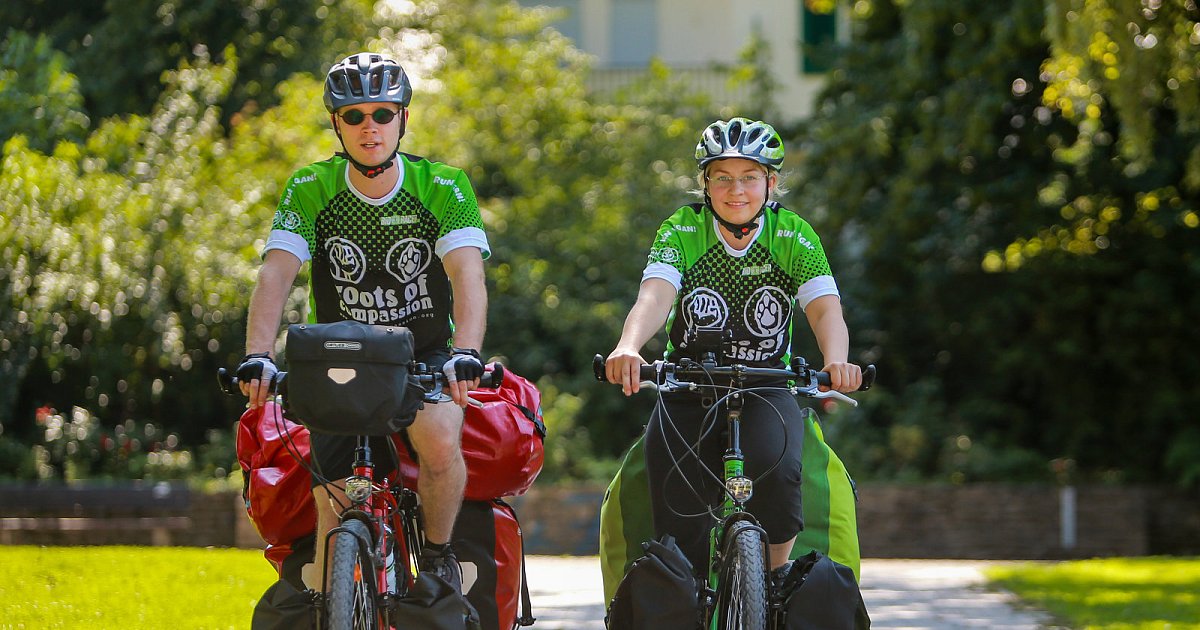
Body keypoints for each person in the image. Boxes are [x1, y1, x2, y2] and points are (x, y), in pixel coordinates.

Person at [237, 52, 489, 594]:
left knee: (442, 439)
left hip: (421, 354)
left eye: (382, 113)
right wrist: (259, 353)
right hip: (338, 357)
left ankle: (440, 556)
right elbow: (275, 275)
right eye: (354, 116)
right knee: (334, 500)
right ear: (336, 124)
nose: (368, 126)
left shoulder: (442, 186)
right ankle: (338, 604)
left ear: (403, 118)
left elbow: (468, 276)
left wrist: (466, 349)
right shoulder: (311, 186)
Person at [604, 117, 862, 586]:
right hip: (688, 382)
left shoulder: (794, 234)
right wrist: (628, 346)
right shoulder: (683, 228)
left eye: (749, 176)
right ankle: (689, 595)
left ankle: (776, 580)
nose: (735, 189)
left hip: (767, 383)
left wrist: (836, 360)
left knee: (781, 481)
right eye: (722, 176)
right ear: (705, 183)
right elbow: (656, 295)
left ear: (771, 182)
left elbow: (825, 310)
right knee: (677, 515)